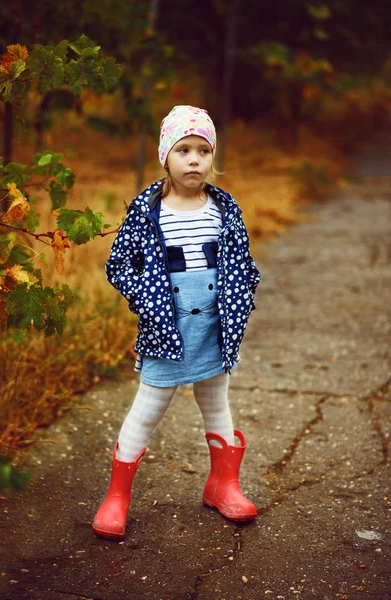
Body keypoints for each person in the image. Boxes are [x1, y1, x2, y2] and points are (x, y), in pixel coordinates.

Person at [92, 105, 261, 540]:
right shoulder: (148, 212)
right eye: (183, 149)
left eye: (203, 151)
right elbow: (118, 266)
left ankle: (223, 485)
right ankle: (117, 496)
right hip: (166, 328)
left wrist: (240, 298)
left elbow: (243, 263)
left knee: (217, 403)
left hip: (213, 329)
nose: (194, 160)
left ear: (213, 158)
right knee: (148, 408)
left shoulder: (223, 209)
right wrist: (147, 300)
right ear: (165, 155)